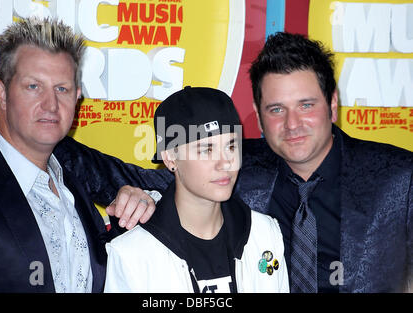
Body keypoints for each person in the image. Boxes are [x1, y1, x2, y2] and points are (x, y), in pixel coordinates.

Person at [0, 33, 412, 293]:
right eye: (276, 109)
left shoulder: (398, 178)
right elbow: (134, 176)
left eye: (307, 104)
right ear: (258, 117)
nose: (292, 124)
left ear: (333, 104)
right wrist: (8, 129)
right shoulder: (247, 166)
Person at [0, 17, 155, 292]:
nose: (50, 104)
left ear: (77, 97)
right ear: (2, 94)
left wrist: (129, 217)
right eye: (33, 86)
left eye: (61, 89)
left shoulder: (72, 185)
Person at [104, 86, 288, 292]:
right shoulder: (132, 255)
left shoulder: (265, 233)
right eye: (207, 149)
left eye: (231, 146)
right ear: (170, 157)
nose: (225, 162)